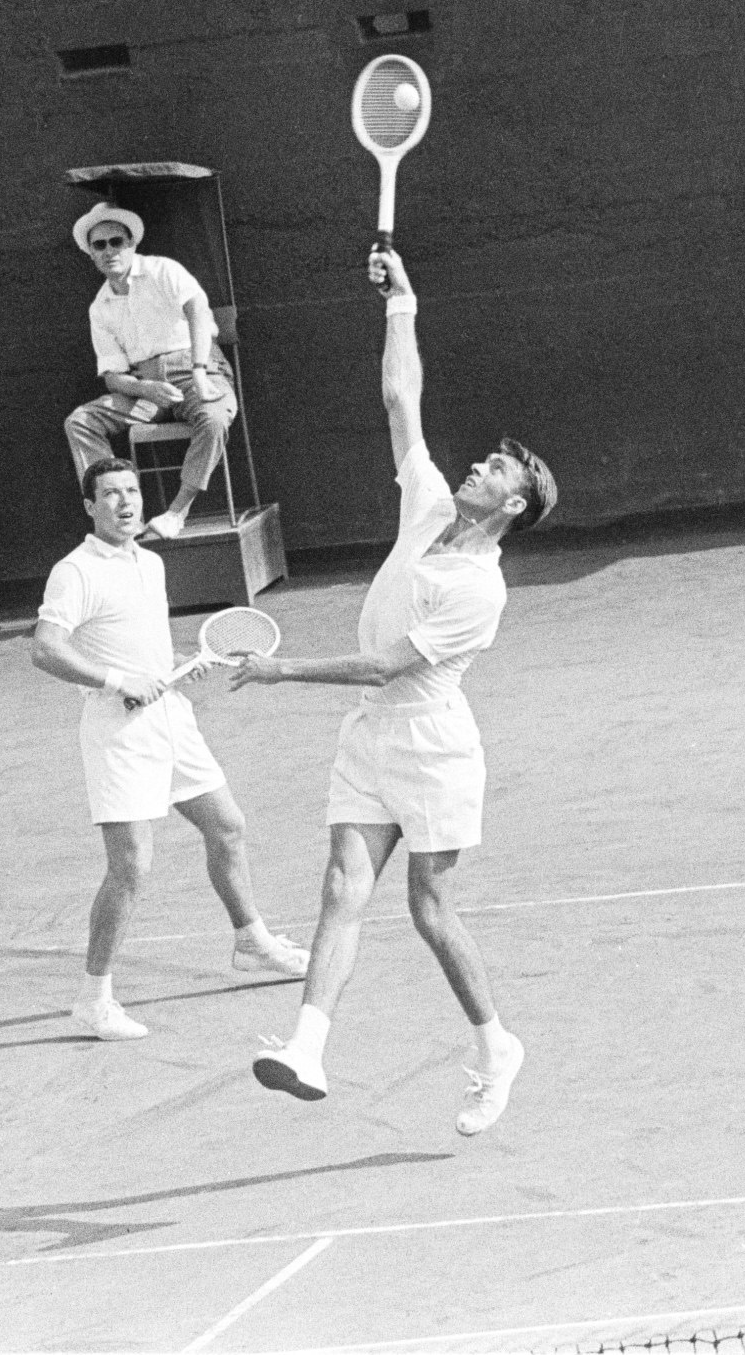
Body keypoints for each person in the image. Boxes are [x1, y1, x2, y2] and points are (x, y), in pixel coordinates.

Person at [231, 247, 557, 1136]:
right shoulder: (427, 507)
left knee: (427, 907)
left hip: (432, 744)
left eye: (494, 471)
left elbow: (384, 666)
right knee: (341, 888)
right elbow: (400, 401)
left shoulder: (478, 591)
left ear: (514, 507)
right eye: (484, 460)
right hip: (370, 736)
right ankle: (307, 1048)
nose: (476, 470)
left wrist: (279, 669)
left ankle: (496, 1046)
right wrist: (401, 306)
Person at [31, 456, 310, 1041]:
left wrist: (170, 672)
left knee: (227, 826)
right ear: (89, 507)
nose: (125, 502)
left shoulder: (151, 563)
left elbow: (139, 645)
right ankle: (94, 1000)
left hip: (171, 718)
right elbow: (47, 650)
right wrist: (116, 681)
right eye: (110, 494)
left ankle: (251, 941)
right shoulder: (75, 571)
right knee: (130, 865)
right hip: (118, 732)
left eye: (132, 491)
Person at [61, 204, 238, 541]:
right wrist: (147, 390)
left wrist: (200, 372)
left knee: (214, 419)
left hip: (196, 370)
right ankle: (121, 518)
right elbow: (112, 376)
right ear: (92, 255)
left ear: (131, 244)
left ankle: (176, 513)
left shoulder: (162, 270)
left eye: (117, 242)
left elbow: (199, 313)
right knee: (80, 421)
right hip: (147, 389)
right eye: (100, 245)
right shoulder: (100, 307)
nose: (110, 251)